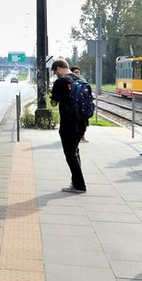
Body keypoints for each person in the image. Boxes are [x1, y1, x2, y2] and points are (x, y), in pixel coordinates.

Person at [50, 58, 87, 193]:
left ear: (58, 68)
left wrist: (53, 95)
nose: (56, 75)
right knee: (75, 152)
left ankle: (79, 185)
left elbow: (54, 103)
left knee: (70, 154)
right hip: (82, 122)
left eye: (55, 72)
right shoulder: (80, 79)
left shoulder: (61, 82)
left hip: (68, 123)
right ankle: (76, 181)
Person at [71, 66, 90, 143]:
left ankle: (83, 136)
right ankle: (76, 137)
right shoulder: (71, 81)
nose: (77, 74)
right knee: (76, 123)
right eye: (75, 72)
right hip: (75, 105)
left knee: (84, 122)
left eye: (78, 72)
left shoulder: (83, 80)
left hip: (83, 105)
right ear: (72, 72)